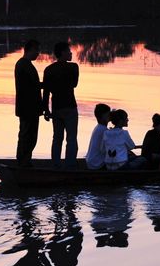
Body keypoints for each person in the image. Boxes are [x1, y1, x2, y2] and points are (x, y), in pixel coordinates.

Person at [43, 41, 80, 169]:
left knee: (57, 138)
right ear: (63, 53)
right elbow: (74, 84)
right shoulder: (74, 67)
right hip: (70, 106)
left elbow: (46, 92)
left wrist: (46, 110)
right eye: (69, 51)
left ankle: (56, 164)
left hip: (56, 107)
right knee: (71, 138)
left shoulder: (49, 70)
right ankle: (70, 164)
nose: (71, 53)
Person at [14, 39, 43, 167]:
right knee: (28, 136)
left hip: (28, 108)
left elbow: (33, 86)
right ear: (30, 50)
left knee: (28, 136)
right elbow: (32, 87)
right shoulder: (23, 65)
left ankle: (24, 161)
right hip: (28, 108)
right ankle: (23, 162)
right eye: (36, 50)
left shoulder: (25, 64)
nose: (38, 53)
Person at [85, 103, 111, 171]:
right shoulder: (104, 130)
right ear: (103, 116)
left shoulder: (98, 127)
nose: (110, 116)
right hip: (97, 164)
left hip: (91, 162)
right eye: (108, 114)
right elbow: (106, 149)